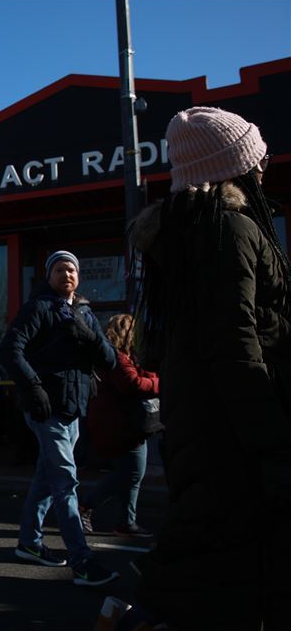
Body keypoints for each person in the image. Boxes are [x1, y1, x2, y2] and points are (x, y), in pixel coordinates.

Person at [117, 107, 290, 629]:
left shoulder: (191, 233)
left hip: (204, 422)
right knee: (214, 567)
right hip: (234, 431)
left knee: (207, 562)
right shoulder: (229, 231)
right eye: (256, 157)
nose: (264, 167)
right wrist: (273, 437)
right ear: (230, 166)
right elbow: (234, 341)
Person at [0, 250, 119, 587]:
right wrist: (34, 388)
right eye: (60, 269)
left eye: (73, 270)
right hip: (46, 409)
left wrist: (90, 336)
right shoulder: (39, 308)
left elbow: (109, 361)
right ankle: (81, 560)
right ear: (49, 275)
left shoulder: (84, 313)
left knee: (46, 479)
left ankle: (29, 543)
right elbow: (8, 350)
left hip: (72, 409)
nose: (68, 274)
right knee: (66, 483)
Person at [78, 314, 159, 538]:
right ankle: (86, 505)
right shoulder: (119, 358)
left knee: (129, 473)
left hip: (117, 424)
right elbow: (132, 384)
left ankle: (125, 522)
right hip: (122, 425)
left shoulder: (115, 356)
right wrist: (159, 382)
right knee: (131, 473)